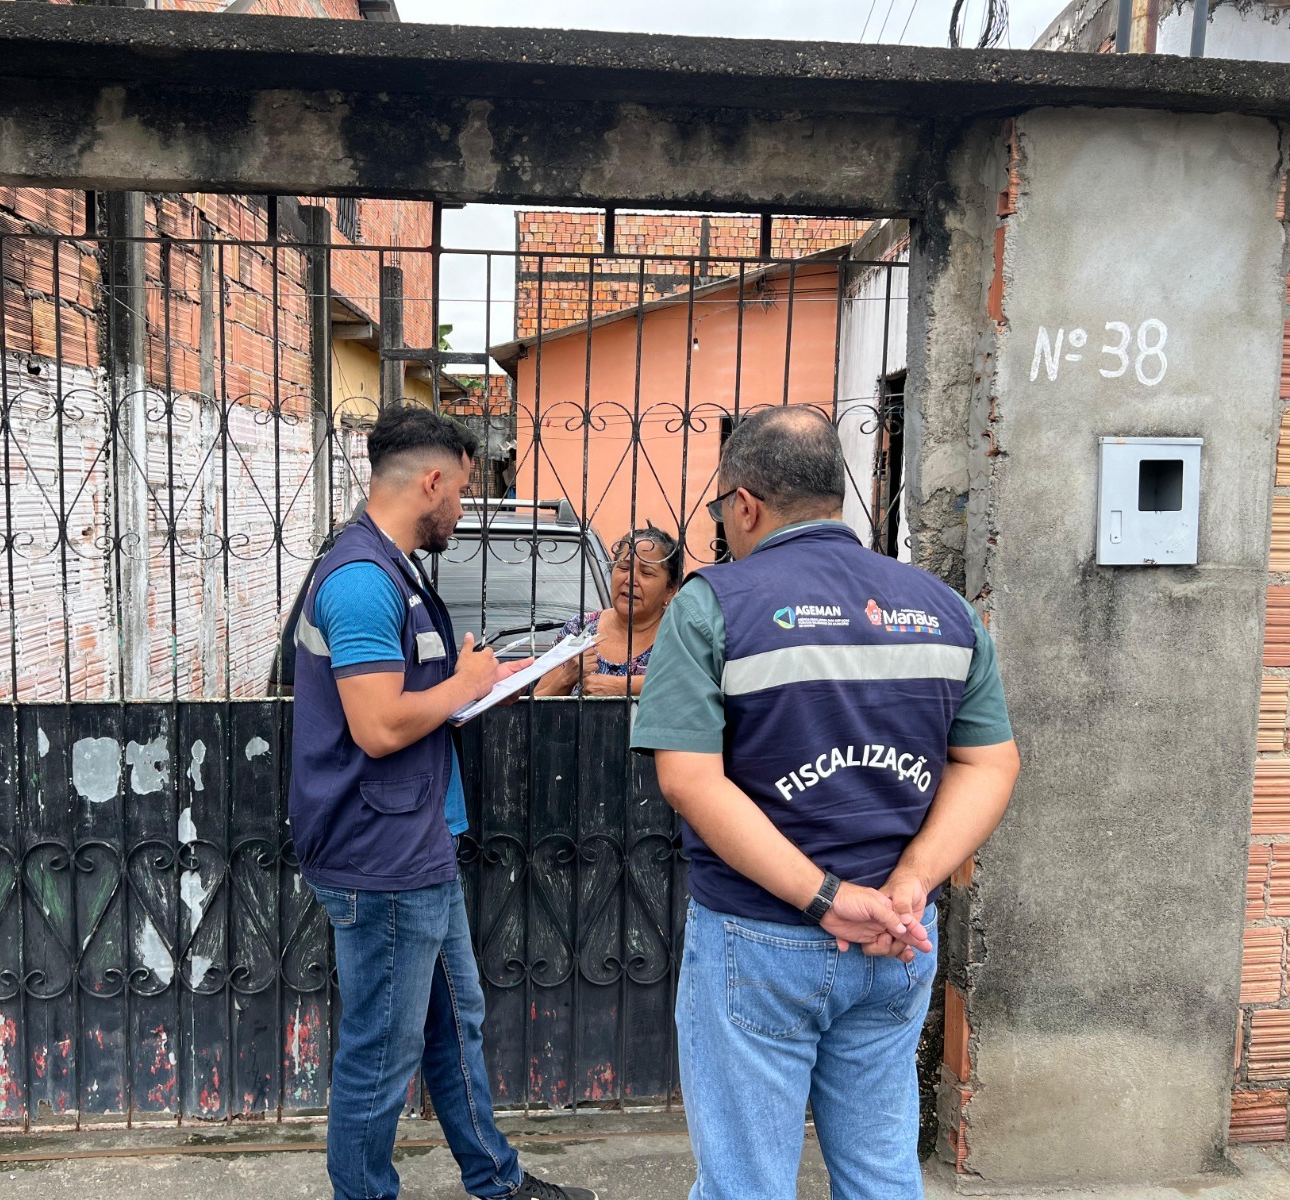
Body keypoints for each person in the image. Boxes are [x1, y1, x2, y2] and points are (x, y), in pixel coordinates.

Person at [631, 405, 1019, 1200]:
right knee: (881, 1174)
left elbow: (689, 779)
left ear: (744, 504)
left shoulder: (713, 606)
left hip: (762, 938)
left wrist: (828, 899)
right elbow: (990, 764)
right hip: (900, 940)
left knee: (746, 1183)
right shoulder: (943, 609)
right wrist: (910, 882)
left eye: (721, 513)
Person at [289, 404, 596, 1200]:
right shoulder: (361, 581)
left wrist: (495, 686)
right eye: (460, 490)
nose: (463, 507)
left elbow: (425, 706)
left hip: (415, 843)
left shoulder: (398, 571)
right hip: (378, 857)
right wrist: (461, 685)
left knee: (454, 1025)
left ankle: (494, 1181)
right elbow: (381, 723)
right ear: (430, 480)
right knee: (379, 1054)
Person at [534, 525, 682, 697]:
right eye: (624, 568)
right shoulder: (580, 628)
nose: (630, 579)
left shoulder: (679, 635)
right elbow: (535, 705)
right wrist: (566, 679)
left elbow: (690, 686)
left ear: (670, 589)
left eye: (646, 573)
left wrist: (621, 687)